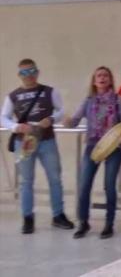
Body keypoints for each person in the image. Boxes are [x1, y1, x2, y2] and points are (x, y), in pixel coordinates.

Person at [1, 58, 74, 234]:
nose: (29, 75)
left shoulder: (49, 91)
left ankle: (58, 215)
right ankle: (28, 218)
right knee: (26, 181)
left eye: (32, 71)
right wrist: (16, 127)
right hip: (24, 142)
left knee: (55, 179)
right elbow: (3, 117)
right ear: (19, 75)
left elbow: (61, 110)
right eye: (25, 72)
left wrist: (51, 119)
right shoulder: (13, 96)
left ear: (37, 72)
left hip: (47, 140)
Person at [66, 66, 121, 239]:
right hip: (92, 147)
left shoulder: (118, 100)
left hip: (113, 148)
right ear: (94, 81)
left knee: (109, 186)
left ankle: (109, 224)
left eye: (105, 75)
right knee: (84, 185)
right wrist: (67, 121)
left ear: (110, 80)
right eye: (99, 75)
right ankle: (83, 222)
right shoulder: (88, 101)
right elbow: (75, 120)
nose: (102, 78)